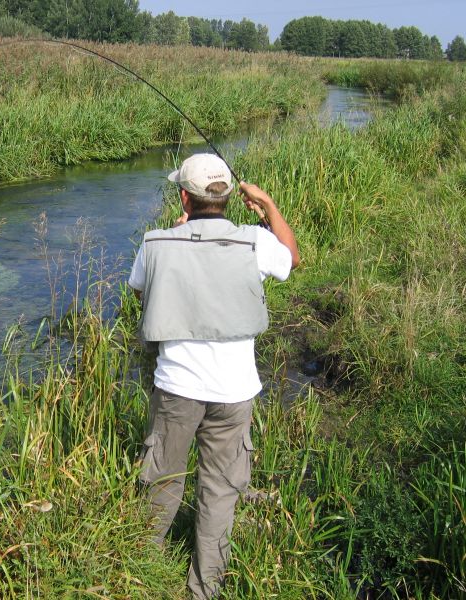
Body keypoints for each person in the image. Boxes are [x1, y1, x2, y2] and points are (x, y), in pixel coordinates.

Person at [128, 153, 300, 599]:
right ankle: (204, 589)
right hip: (235, 392)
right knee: (220, 492)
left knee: (161, 481)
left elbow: (142, 290)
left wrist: (179, 235)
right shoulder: (255, 242)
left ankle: (141, 572)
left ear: (185, 198)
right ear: (227, 198)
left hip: (175, 390)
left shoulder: (155, 242)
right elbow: (291, 258)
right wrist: (268, 205)